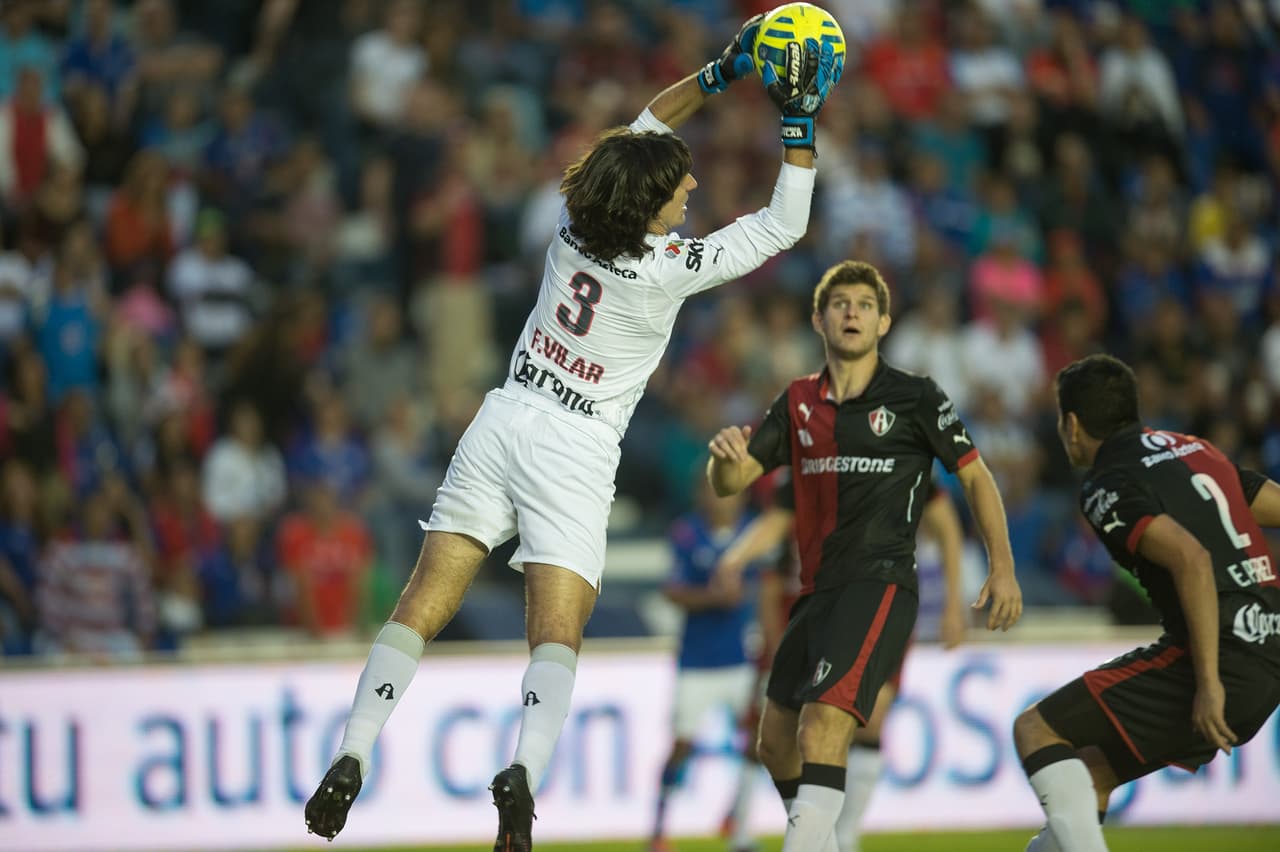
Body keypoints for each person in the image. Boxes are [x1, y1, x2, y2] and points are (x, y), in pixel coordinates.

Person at [304, 17, 843, 851]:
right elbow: (781, 226)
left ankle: (352, 750)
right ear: (651, 203)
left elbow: (643, 128)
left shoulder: (571, 226)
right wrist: (798, 123)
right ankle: (522, 772)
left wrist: (721, 70)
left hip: (504, 417)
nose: (692, 188)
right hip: (576, 447)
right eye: (682, 185)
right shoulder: (666, 272)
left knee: (421, 602)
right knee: (556, 634)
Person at [706, 259, 1022, 851]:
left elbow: (976, 478)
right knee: (775, 742)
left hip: (880, 583)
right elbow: (733, 481)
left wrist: (1001, 567)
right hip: (814, 592)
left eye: (865, 305)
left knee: (824, 726)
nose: (852, 313)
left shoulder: (916, 397)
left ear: (883, 324)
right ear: (819, 320)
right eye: (840, 304)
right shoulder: (798, 401)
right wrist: (724, 461)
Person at [1012, 354, 1280, 852]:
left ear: (1073, 425)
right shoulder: (1194, 449)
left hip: (1218, 659)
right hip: (1269, 651)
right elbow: (1267, 504)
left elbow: (1192, 560)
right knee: (1091, 774)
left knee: (1035, 729)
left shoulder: (1108, 482)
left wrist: (1209, 683)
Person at [716, 474, 968, 851]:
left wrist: (955, 600)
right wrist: (736, 562)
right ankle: (773, 833)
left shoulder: (897, 457)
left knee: (869, 721)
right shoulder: (798, 474)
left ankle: (845, 837)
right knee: (775, 737)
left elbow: (944, 516)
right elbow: (773, 569)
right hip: (805, 619)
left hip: (880, 603)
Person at [648, 478, 758, 852]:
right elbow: (671, 590)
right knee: (682, 745)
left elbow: (767, 584)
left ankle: (738, 823)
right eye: (710, 490)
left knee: (759, 741)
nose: (721, 498)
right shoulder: (687, 533)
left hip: (742, 658)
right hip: (696, 662)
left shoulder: (754, 532)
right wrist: (713, 597)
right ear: (700, 495)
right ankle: (659, 826)